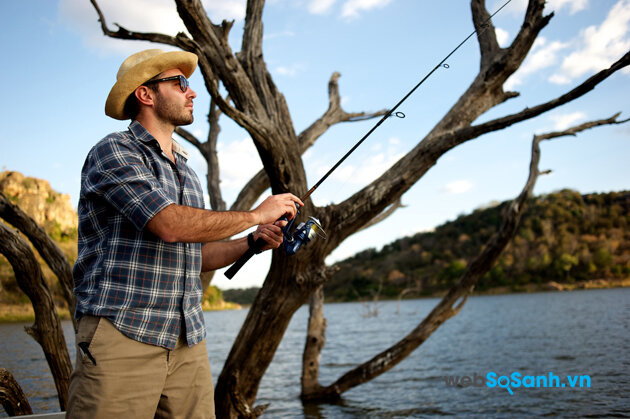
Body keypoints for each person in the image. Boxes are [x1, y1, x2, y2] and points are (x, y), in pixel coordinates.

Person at [66, 49, 303, 419]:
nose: (192, 93)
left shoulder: (187, 173)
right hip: (122, 335)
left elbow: (195, 255)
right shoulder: (113, 151)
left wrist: (252, 241)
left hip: (187, 341)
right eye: (181, 83)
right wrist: (257, 212)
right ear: (146, 94)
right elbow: (170, 225)